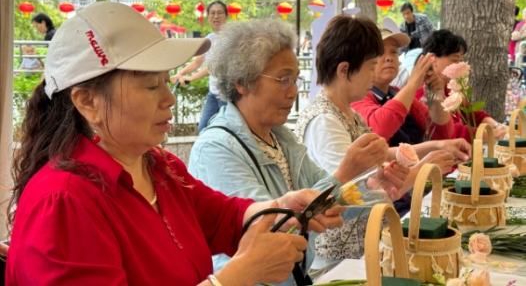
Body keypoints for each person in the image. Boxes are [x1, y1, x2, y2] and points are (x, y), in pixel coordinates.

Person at [6, 2, 345, 285]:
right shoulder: (65, 201)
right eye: (151, 86)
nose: (169, 98)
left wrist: (282, 208)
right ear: (88, 102)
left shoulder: (158, 165)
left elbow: (222, 216)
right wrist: (234, 277)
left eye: (167, 82)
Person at [187, 18, 408, 285]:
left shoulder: (281, 138)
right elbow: (268, 230)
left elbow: (327, 205)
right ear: (242, 83)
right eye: (283, 80)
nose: (293, 91)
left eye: (295, 79)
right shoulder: (216, 148)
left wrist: (373, 185)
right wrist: (345, 172)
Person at [295, 16, 462, 275]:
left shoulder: (348, 113)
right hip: (341, 261)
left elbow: (380, 157)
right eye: (371, 66)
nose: (374, 74)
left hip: (365, 248)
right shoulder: (324, 121)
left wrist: (428, 150)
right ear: (343, 70)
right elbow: (351, 196)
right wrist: (419, 171)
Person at [415, 30, 508, 141]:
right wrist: (491, 134)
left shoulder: (448, 89)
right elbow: (451, 130)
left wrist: (497, 126)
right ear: (433, 60)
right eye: (454, 60)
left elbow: (471, 112)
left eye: (461, 60)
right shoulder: (424, 93)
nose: (460, 65)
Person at [171, 0, 228, 134]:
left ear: (226, 16)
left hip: (228, 96)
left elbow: (213, 68)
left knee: (227, 131)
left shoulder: (230, 39)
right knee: (203, 129)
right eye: (212, 13)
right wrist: (180, 74)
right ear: (208, 17)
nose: (216, 16)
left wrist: (191, 78)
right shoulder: (210, 38)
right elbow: (198, 61)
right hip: (213, 94)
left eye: (219, 13)